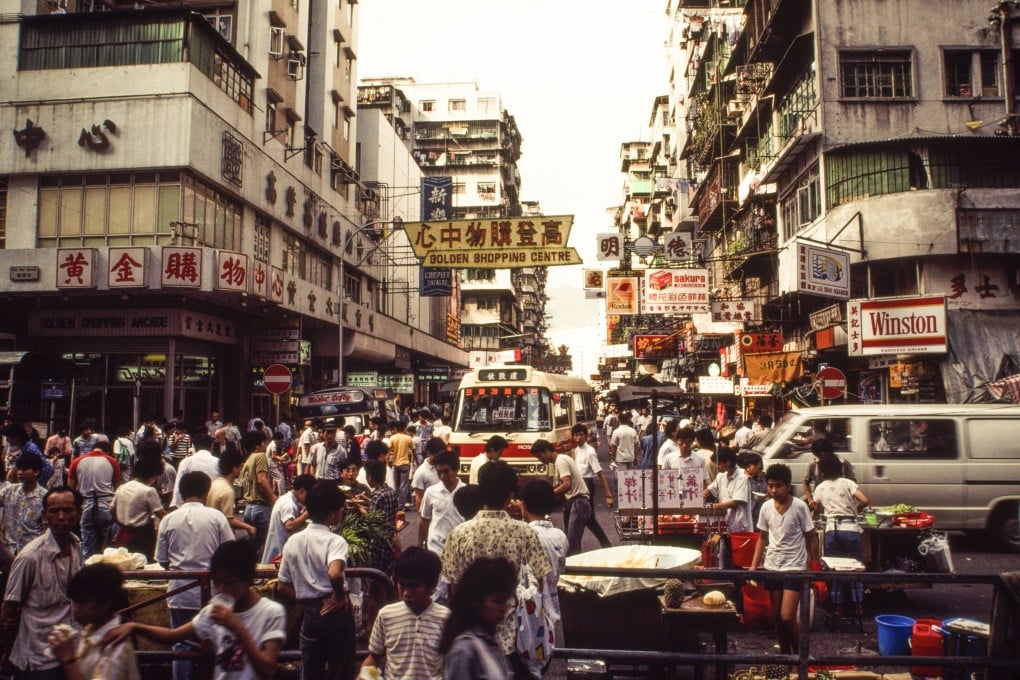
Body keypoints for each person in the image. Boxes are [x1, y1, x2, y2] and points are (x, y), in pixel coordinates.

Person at [104, 540, 286, 680]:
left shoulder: (271, 612)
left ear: (248, 580)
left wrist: (239, 628)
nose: (221, 589)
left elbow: (267, 668)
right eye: (216, 582)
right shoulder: (215, 612)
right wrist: (135, 627)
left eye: (229, 583)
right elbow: (172, 636)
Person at [440, 462, 550, 677]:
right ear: (510, 496)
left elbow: (452, 587)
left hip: (469, 636)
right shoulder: (525, 532)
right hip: (516, 640)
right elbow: (541, 584)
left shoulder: (459, 533)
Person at [157, 470, 234, 680]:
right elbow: (230, 554)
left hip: (180, 594)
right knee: (216, 643)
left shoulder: (168, 519)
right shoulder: (216, 517)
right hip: (211, 595)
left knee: (181, 646)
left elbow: (162, 560)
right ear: (206, 493)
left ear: (181, 494)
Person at [1, 486, 84, 678]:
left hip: (71, 655)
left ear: (78, 513)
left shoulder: (76, 546)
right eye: (54, 511)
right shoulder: (30, 556)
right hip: (38, 661)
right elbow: (8, 610)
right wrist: (7, 653)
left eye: (68, 510)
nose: (61, 517)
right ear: (45, 515)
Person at [277, 480, 357, 680]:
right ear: (332, 514)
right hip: (337, 613)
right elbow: (335, 573)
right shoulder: (336, 541)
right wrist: (339, 595)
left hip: (310, 615)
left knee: (312, 669)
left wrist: (307, 601)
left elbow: (282, 584)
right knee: (342, 670)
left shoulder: (292, 541)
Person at [748, 463, 819, 655]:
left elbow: (811, 537)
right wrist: (753, 566)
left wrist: (815, 566)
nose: (773, 490)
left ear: (788, 486)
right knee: (777, 618)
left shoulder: (799, 507)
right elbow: (762, 538)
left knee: (787, 616)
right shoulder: (766, 508)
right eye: (770, 485)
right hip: (772, 566)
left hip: (795, 568)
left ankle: (800, 656)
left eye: (778, 486)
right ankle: (785, 658)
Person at [361, 547, 449, 680]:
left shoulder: (446, 619)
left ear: (432, 585)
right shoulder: (386, 615)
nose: (406, 593)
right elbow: (374, 658)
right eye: (402, 585)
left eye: (414, 586)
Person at [47, 563, 139, 680]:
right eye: (74, 601)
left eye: (83, 602)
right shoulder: (90, 630)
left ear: (106, 602)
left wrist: (68, 659)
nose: (75, 609)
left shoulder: (116, 647)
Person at [811, 449, 869, 616]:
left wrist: (814, 515)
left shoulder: (821, 488)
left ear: (822, 470)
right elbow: (864, 501)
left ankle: (838, 607)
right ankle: (858, 605)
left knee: (835, 569)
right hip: (851, 529)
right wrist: (854, 510)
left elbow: (816, 509)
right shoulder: (847, 483)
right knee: (855, 568)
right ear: (838, 467)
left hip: (832, 531)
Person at [438, 556, 516, 680]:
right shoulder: (464, 651)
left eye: (506, 600)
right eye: (497, 601)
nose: (504, 608)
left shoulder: (490, 641)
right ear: (476, 602)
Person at [531, 438, 591, 556]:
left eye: (540, 456)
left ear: (547, 451)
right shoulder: (559, 461)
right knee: (570, 541)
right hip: (575, 503)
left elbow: (567, 484)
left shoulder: (560, 460)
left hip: (579, 502)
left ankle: (574, 569)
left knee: (572, 544)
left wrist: (549, 495)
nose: (540, 460)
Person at [519, 479, 567, 623]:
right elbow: (561, 569)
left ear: (524, 506)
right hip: (553, 610)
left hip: (528, 614)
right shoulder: (561, 536)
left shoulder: (523, 534)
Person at [68, 439, 121, 558]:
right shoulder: (112, 461)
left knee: (88, 549)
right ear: (107, 451)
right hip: (106, 506)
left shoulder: (76, 462)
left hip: (85, 505)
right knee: (108, 550)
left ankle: (88, 572)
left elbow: (71, 490)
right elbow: (118, 489)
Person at [111, 454, 165, 560]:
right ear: (153, 475)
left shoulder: (122, 487)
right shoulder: (148, 491)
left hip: (122, 534)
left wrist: (121, 521)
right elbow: (162, 515)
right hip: (141, 537)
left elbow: (111, 509)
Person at [570, 424, 613, 548]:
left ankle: (574, 547)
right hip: (579, 483)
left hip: (587, 484)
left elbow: (600, 474)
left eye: (581, 435)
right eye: (576, 435)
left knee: (583, 517)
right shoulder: (577, 450)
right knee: (587, 518)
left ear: (586, 436)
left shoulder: (590, 452)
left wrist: (608, 495)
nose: (578, 437)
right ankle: (605, 545)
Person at [0, 453, 49, 559]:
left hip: (32, 554)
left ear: (36, 472)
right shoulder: (9, 491)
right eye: (19, 469)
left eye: (25, 469)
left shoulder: (45, 497)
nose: (20, 473)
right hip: (8, 551)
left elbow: (47, 529)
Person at [261, 474, 314, 564]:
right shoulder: (289, 504)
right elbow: (289, 526)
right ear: (302, 491)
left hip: (276, 545)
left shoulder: (285, 498)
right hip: (278, 551)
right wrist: (307, 513)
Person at [239, 431, 275, 556]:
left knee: (253, 548)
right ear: (257, 446)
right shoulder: (260, 456)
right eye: (264, 443)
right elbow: (262, 480)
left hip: (249, 508)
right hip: (261, 507)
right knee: (265, 548)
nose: (265, 446)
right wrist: (274, 501)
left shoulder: (248, 460)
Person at [208, 449, 256, 541]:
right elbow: (229, 519)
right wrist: (249, 527)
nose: (241, 470)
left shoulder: (214, 484)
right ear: (234, 469)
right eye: (240, 467)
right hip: (221, 536)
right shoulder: (227, 490)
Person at [362, 460, 399, 575]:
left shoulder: (377, 495)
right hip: (390, 540)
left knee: (376, 578)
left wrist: (359, 507)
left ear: (370, 477)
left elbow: (371, 518)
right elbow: (383, 509)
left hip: (378, 543)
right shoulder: (391, 492)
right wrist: (368, 500)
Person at [803, 438, 856, 510]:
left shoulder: (843, 462)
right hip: (821, 502)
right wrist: (810, 499)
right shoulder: (813, 464)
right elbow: (806, 483)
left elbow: (853, 482)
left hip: (840, 502)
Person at [171, 433, 221, 509]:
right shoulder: (218, 462)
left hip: (191, 506)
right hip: (214, 506)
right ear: (212, 446)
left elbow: (179, 486)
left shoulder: (185, 462)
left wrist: (177, 505)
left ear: (194, 446)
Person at [387, 422, 415, 509]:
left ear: (396, 428)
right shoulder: (408, 438)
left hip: (395, 464)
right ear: (404, 428)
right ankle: (401, 506)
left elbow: (388, 452)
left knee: (396, 486)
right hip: (405, 464)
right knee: (404, 486)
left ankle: (396, 504)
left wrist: (387, 462)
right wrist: (416, 462)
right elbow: (414, 451)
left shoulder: (392, 438)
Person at [411, 438, 442, 511]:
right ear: (428, 453)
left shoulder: (444, 467)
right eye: (436, 454)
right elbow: (419, 499)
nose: (440, 457)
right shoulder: (420, 473)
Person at [738, 451, 768, 524]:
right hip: (751, 518)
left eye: (749, 466)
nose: (747, 470)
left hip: (765, 515)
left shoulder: (768, 479)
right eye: (746, 468)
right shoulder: (747, 480)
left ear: (758, 465)